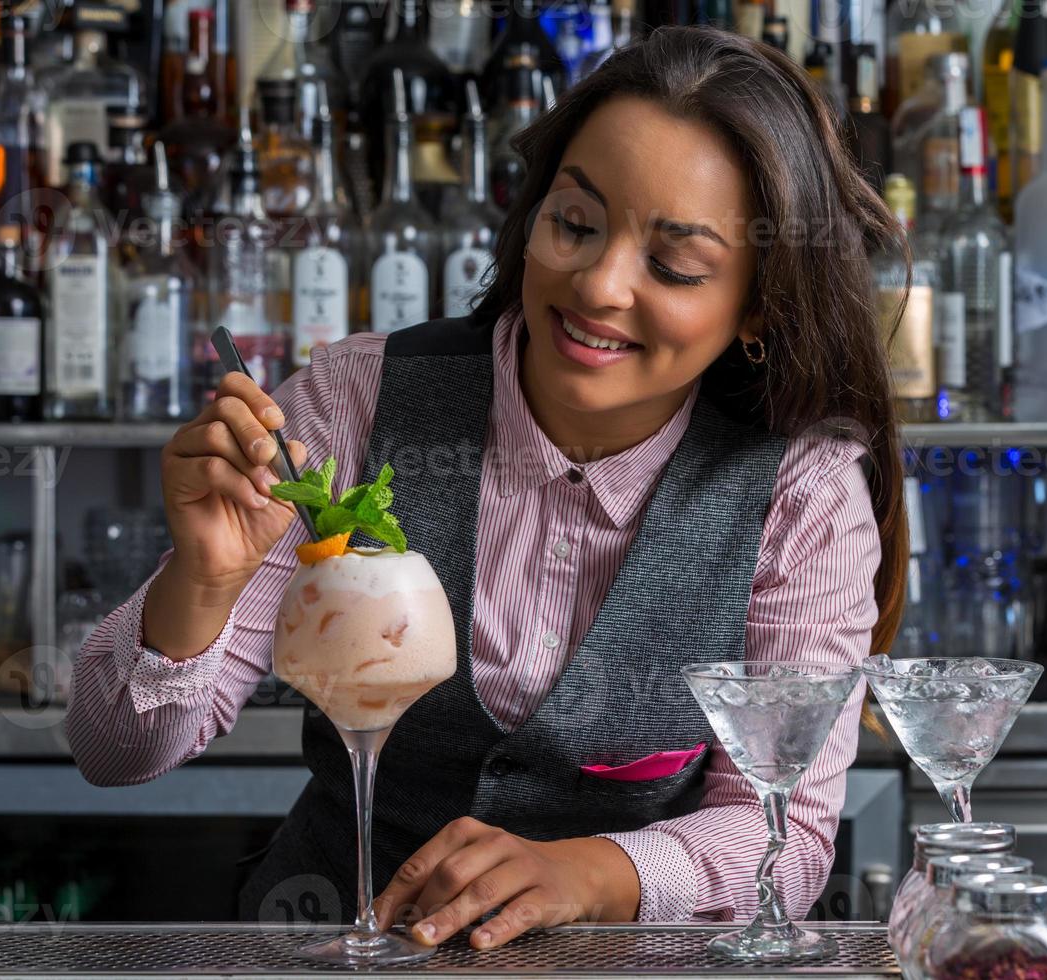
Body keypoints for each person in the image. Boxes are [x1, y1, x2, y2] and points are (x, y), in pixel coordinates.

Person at [64, 25, 908, 950]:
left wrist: (593, 871)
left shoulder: (802, 491)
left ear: (755, 304)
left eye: (675, 266)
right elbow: (114, 756)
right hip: (340, 948)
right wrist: (204, 581)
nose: (599, 285)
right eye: (575, 224)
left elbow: (782, 840)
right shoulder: (356, 401)